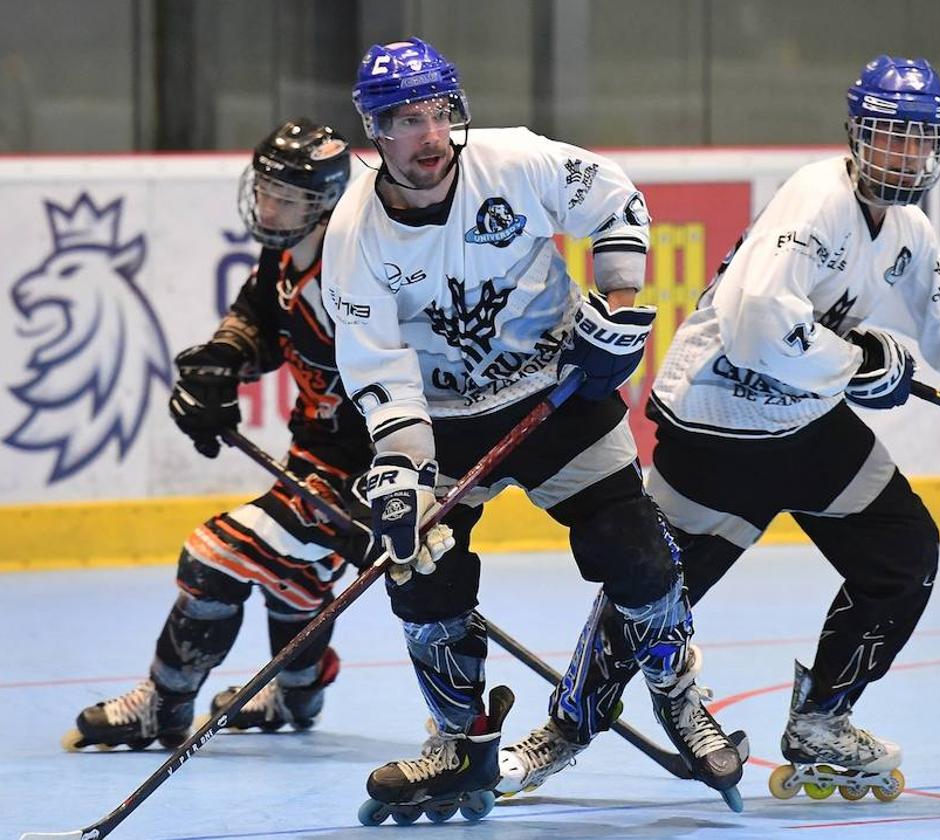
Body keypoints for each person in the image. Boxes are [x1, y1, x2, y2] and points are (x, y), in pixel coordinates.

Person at [499, 54, 940, 802]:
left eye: (920, 140)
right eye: (890, 137)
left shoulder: (905, 228)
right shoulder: (814, 201)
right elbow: (757, 328)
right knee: (651, 594)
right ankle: (566, 727)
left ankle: (822, 718)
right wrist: (858, 364)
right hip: (718, 430)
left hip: (807, 426)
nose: (905, 155)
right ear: (857, 137)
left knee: (903, 552)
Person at [321, 38, 744, 823]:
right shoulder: (353, 239)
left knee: (636, 548)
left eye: (440, 112)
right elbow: (379, 370)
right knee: (423, 569)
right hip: (442, 425)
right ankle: (460, 738)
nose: (430, 135)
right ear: (375, 135)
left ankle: (681, 698)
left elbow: (614, 200)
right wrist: (407, 475)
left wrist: (616, 308)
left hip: (558, 391)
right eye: (406, 120)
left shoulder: (514, 162)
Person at [63, 118, 368, 751]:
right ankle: (298, 691)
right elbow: (259, 314)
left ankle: (163, 705)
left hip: (369, 473)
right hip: (316, 455)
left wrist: (380, 493)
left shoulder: (358, 280)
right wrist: (222, 363)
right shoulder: (287, 252)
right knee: (299, 576)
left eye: (288, 199)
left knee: (215, 554)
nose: (268, 207)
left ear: (327, 207)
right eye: (265, 191)